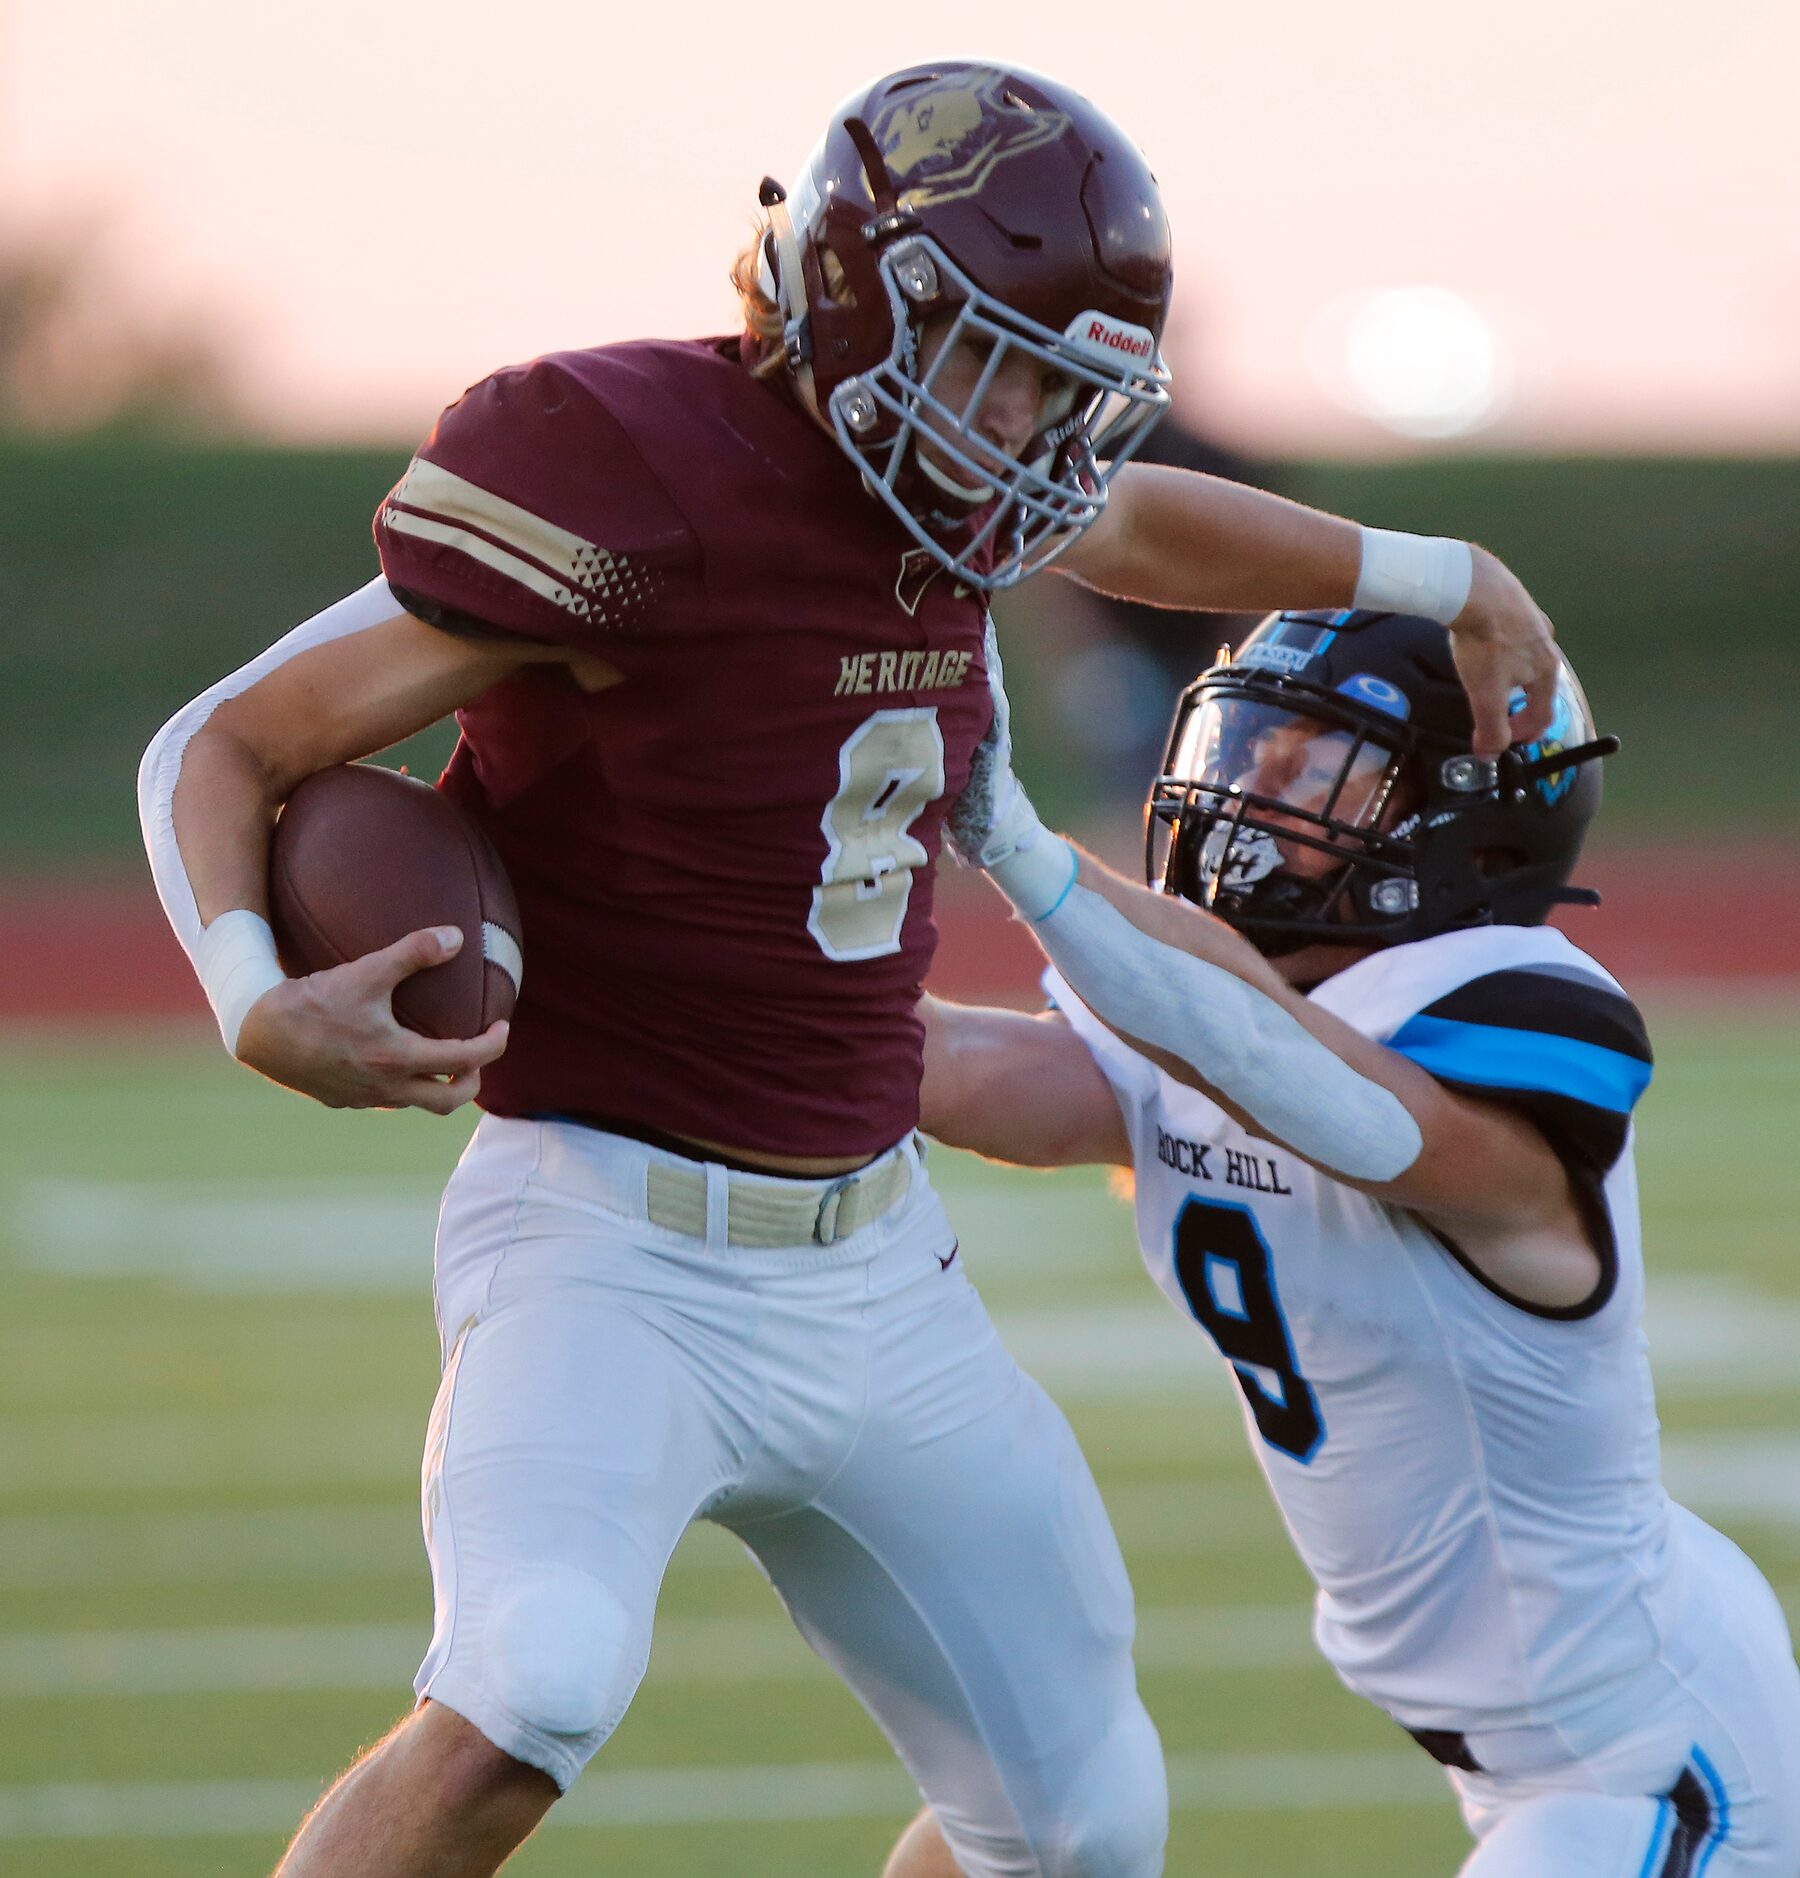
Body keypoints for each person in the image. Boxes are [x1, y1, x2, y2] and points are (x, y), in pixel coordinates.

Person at [137, 58, 1563, 1878]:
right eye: (1003, 369)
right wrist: (251, 989)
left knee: (1079, 1822)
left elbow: (1131, 522)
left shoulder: (959, 487)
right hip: (610, 1239)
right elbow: (223, 742)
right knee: (529, 1686)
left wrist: (1449, 571)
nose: (1036, 435)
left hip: (876, 1263)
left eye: (1070, 393)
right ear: (855, 298)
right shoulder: (630, 471)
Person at [914, 606, 1800, 1876]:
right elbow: (946, 1067)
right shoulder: (1213, 1009)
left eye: (1315, 758)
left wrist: (1016, 840)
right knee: (986, 1846)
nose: (1251, 784)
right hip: (1528, 1737)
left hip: (1651, 1751)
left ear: (1456, 813)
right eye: (1248, 742)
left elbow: (1323, 1098)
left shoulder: (1500, 1004)